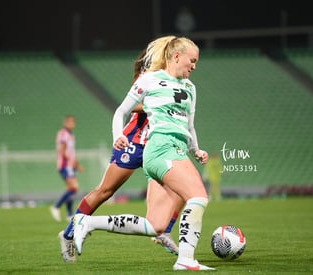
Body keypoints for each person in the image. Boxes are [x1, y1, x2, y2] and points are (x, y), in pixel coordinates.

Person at [73, 35, 214, 271]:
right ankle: (186, 259)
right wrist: (118, 135)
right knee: (198, 196)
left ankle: (87, 222)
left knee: (156, 225)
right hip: (160, 147)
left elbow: (189, 126)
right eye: (192, 60)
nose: (194, 66)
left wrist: (196, 149)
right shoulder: (149, 80)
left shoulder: (190, 88)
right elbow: (121, 111)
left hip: (177, 149)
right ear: (176, 56)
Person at [58, 49, 183, 263]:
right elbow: (131, 106)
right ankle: (68, 233)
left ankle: (163, 232)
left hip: (157, 144)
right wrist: (159, 107)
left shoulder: (174, 80)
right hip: (133, 142)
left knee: (181, 187)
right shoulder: (146, 77)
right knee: (105, 191)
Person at [50, 115, 84, 222]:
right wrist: (74, 163)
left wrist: (75, 164)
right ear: (65, 123)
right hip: (65, 165)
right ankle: (56, 206)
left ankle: (69, 214)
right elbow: (63, 151)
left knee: (71, 189)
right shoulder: (63, 134)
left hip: (70, 165)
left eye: (73, 122)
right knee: (74, 188)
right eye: (69, 122)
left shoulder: (70, 135)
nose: (72, 124)